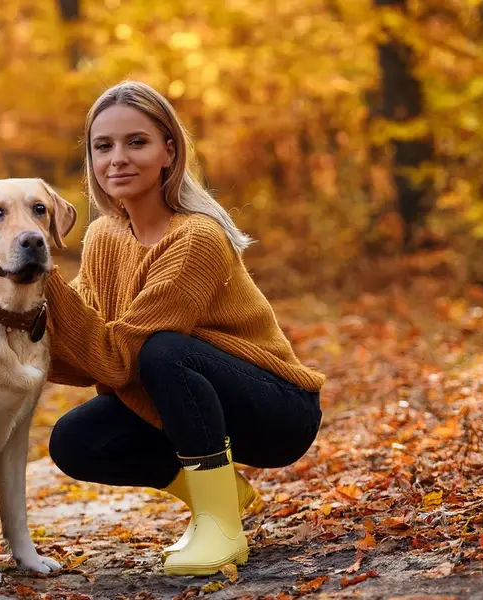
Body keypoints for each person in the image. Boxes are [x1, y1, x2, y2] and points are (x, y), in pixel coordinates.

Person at [43, 81, 325, 576]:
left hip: (276, 411)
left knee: (164, 351)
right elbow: (82, 336)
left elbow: (118, 357)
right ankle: (222, 495)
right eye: (103, 146)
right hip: (185, 396)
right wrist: (17, 316)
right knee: (74, 440)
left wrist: (41, 272)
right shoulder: (103, 236)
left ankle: (221, 527)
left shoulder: (196, 238)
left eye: (137, 142)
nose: (118, 159)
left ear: (168, 151)